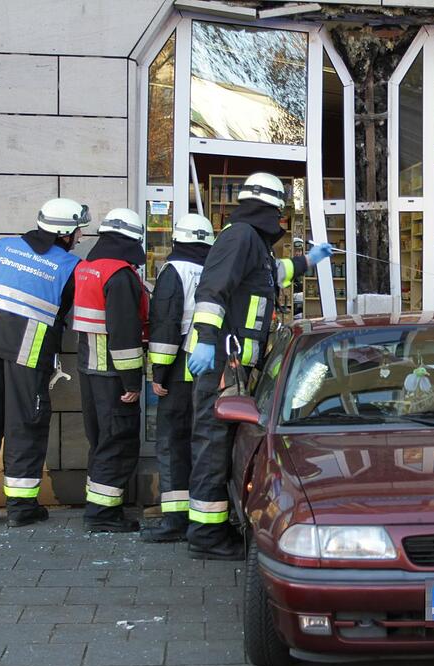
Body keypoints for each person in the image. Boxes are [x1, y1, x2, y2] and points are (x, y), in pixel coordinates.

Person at [185, 172, 332, 560]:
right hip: (219, 360)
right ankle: (205, 533)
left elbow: (270, 277)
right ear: (272, 209)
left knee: (221, 443)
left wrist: (308, 261)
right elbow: (212, 291)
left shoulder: (251, 241)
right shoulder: (240, 237)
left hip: (232, 361)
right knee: (212, 444)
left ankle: (213, 526)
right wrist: (204, 339)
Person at [0, 198, 86, 527]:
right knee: (25, 428)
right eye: (77, 231)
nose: (79, 238)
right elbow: (63, 317)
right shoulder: (68, 266)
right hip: (28, 355)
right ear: (65, 233)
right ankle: (21, 508)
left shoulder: (3, 247)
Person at [71, 208, 149, 533]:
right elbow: (124, 332)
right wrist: (132, 381)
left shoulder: (87, 268)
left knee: (101, 441)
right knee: (117, 441)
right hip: (113, 374)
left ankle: (101, 508)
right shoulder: (121, 275)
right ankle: (102, 516)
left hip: (90, 369)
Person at [141, 213, 214, 543]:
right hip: (212, 365)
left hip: (181, 366)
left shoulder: (174, 271)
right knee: (202, 443)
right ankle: (203, 517)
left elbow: (165, 324)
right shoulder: (213, 269)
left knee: (172, 442)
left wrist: (159, 371)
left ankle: (174, 520)